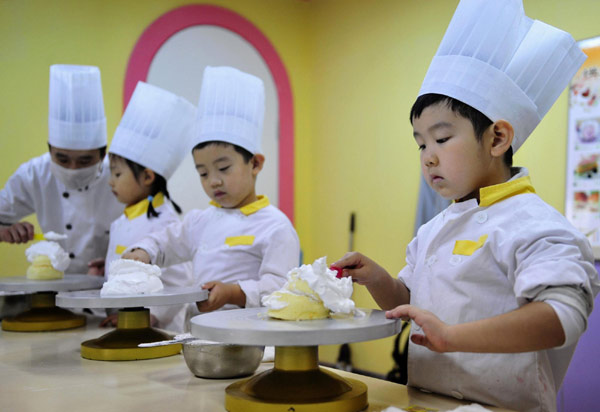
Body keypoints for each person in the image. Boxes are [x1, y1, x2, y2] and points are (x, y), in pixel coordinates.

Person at [333, 1, 600, 411]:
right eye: (420, 143)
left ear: (496, 139)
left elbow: (560, 317)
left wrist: (452, 337)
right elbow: (409, 301)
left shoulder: (538, 225)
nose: (427, 156)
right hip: (425, 400)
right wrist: (376, 277)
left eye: (441, 139)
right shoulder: (435, 228)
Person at [123, 66, 300, 324]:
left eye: (224, 168)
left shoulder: (276, 227)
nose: (214, 181)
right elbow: (166, 241)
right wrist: (144, 251)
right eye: (203, 173)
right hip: (201, 337)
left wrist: (233, 293)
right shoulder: (200, 221)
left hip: (254, 342)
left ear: (255, 164)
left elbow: (282, 290)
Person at [0, 64, 122, 274]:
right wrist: (4, 230)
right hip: (57, 291)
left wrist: (118, 260)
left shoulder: (122, 177)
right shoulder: (34, 175)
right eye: (62, 159)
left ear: (103, 155)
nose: (73, 169)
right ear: (49, 150)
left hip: (112, 290)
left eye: (84, 161)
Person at [101, 81, 195, 332]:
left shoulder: (167, 223)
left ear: (147, 177)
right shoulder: (122, 220)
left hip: (159, 328)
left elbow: (180, 281)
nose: (111, 182)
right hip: (124, 324)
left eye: (118, 174)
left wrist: (153, 316)